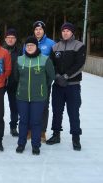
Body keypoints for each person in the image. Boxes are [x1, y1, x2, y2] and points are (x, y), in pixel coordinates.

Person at [46, 22, 86, 151]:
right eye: (63, 31)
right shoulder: (55, 47)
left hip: (72, 86)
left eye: (68, 31)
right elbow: (51, 64)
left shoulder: (79, 46)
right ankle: (56, 135)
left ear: (72, 32)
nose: (65, 33)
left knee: (73, 112)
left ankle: (76, 137)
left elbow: (79, 64)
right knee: (57, 111)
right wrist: (57, 76)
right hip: (58, 85)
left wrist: (66, 76)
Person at [15, 36, 55, 155]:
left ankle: (36, 145)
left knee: (36, 122)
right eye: (27, 46)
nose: (30, 47)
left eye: (32, 45)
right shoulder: (19, 60)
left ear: (36, 46)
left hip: (38, 97)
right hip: (22, 97)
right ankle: (21, 144)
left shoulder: (45, 59)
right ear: (25, 47)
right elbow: (16, 77)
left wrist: (42, 87)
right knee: (23, 121)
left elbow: (50, 77)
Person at [0, 28, 22, 137]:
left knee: (14, 106)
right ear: (5, 39)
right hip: (0, 82)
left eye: (13, 38)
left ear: (16, 39)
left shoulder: (20, 51)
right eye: (8, 37)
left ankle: (13, 126)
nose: (10, 40)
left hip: (14, 82)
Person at [29, 21, 56, 142]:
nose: (38, 31)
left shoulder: (51, 44)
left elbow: (55, 63)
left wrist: (49, 79)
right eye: (36, 29)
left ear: (44, 30)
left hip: (44, 82)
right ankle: (29, 130)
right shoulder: (28, 43)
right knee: (29, 105)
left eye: (40, 29)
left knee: (44, 106)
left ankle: (42, 132)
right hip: (30, 80)